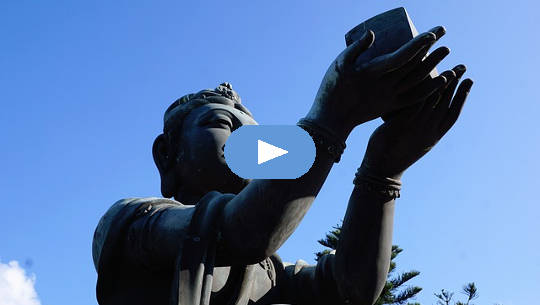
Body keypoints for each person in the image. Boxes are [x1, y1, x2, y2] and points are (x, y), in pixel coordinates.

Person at [92, 26, 473, 305]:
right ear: (166, 155)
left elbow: (350, 288)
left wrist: (382, 172)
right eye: (221, 125)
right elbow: (236, 234)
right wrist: (331, 118)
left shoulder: (269, 273)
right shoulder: (133, 224)